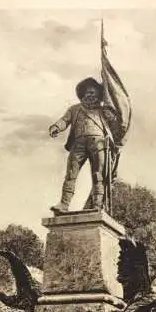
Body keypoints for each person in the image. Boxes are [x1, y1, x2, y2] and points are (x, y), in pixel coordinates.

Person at [49, 77, 115, 215]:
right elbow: (64, 120)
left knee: (98, 176)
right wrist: (56, 127)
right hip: (78, 145)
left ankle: (97, 205)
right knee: (71, 174)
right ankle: (64, 204)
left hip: (99, 144)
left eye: (94, 92)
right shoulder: (74, 109)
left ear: (99, 94)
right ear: (82, 94)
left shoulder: (104, 110)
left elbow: (115, 123)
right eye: (88, 92)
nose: (90, 95)